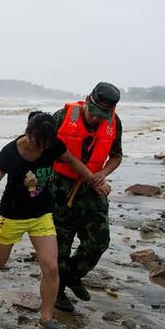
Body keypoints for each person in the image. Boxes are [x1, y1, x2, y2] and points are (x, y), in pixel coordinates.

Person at [0, 112, 110, 329]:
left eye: (43, 146)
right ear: (27, 132)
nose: (37, 149)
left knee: (51, 267)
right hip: (12, 216)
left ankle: (46, 318)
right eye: (34, 143)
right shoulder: (10, 152)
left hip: (41, 215)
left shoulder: (53, 145)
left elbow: (72, 161)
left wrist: (95, 181)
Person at [51, 82, 122, 313]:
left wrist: (103, 174)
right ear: (87, 100)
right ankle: (58, 291)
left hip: (92, 190)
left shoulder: (114, 123)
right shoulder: (62, 116)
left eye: (103, 116)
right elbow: (45, 149)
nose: (96, 119)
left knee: (99, 242)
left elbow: (116, 156)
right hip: (61, 188)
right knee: (61, 244)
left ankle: (72, 275)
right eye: (94, 113)